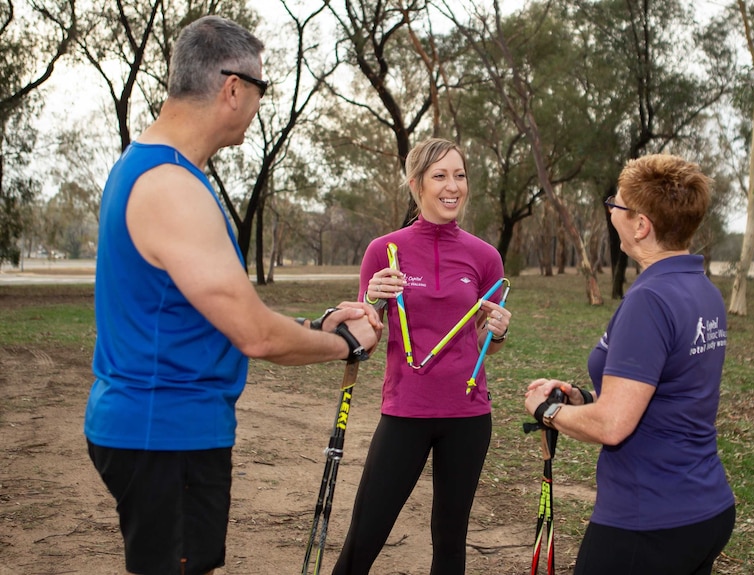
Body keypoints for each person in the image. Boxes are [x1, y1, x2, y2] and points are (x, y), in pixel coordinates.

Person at [83, 15, 382, 575]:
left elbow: (216, 312)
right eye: (262, 89)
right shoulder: (171, 186)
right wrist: (345, 345)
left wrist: (316, 325)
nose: (259, 104)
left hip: (159, 428)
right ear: (233, 88)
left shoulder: (152, 167)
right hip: (164, 432)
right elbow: (254, 335)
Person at [524, 154, 735, 575]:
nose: (610, 212)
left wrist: (546, 410)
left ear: (641, 226)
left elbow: (613, 425)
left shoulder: (649, 300)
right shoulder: (703, 289)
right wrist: (583, 398)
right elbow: (660, 394)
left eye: (616, 205)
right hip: (705, 509)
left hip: (649, 521)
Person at [330, 138, 512, 575]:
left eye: (460, 175)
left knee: (449, 541)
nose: (453, 187)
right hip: (406, 410)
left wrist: (500, 331)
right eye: (440, 176)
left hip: (468, 415)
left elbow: (490, 338)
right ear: (416, 185)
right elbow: (363, 338)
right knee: (366, 533)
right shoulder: (384, 251)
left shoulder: (484, 256)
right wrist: (371, 300)